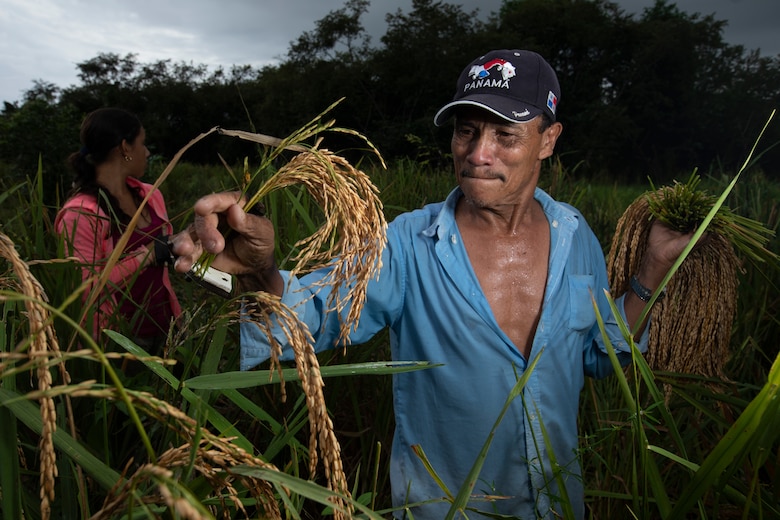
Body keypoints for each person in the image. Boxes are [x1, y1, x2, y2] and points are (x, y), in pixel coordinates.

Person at [171, 50, 694, 519]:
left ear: (548, 140)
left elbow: (603, 357)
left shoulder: (575, 234)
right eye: (467, 130)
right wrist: (261, 270)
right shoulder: (408, 244)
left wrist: (650, 272)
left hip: (556, 503)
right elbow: (306, 317)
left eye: (505, 135)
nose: (478, 153)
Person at [55, 107, 181, 350]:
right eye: (142, 144)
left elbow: (166, 248)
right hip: (118, 339)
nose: (146, 152)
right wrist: (148, 256)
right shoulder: (80, 214)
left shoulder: (149, 195)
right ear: (125, 147)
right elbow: (86, 289)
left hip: (166, 324)